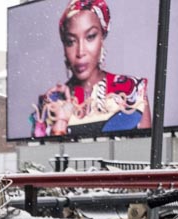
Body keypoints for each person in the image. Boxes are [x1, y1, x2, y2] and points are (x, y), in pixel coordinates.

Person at [31, 0, 151, 138]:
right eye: (71, 41)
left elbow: (144, 153)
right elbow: (45, 153)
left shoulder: (133, 90)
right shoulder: (51, 101)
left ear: (102, 38)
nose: (80, 52)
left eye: (90, 37)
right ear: (64, 46)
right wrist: (61, 120)